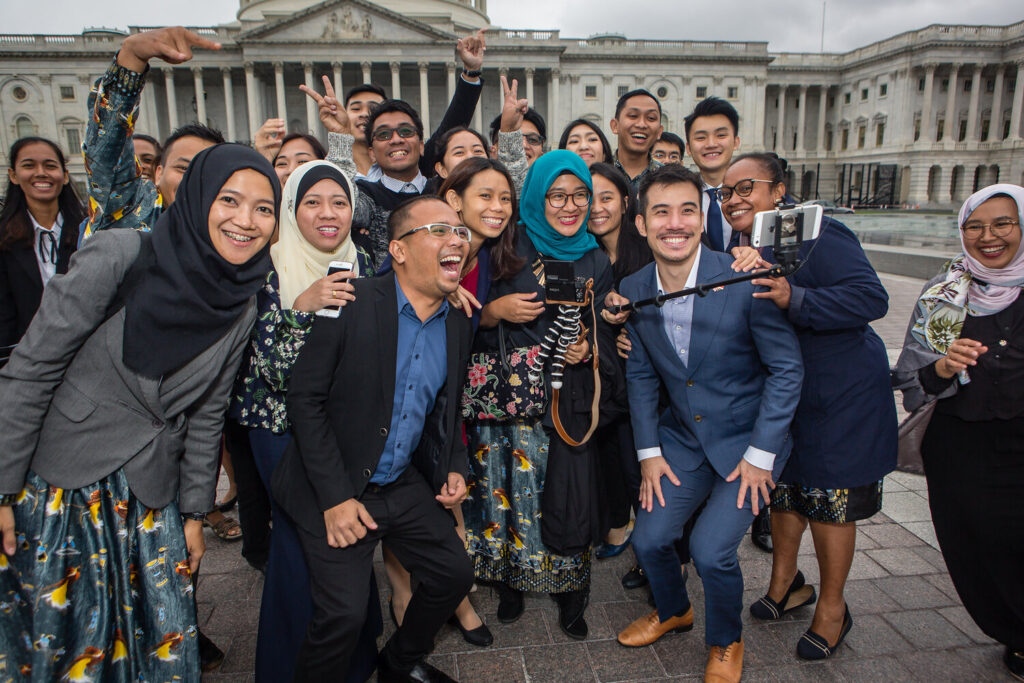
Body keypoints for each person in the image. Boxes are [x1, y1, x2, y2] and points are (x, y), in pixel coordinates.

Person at [0, 143, 279, 681]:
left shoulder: (243, 298)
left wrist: (195, 515)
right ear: (198, 199)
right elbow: (30, 370)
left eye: (264, 208)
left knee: (160, 645)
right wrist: (3, 489)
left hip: (151, 501)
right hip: (65, 490)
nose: (245, 220)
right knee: (69, 647)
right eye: (229, 200)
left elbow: (206, 414)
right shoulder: (120, 254)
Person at [271, 196, 475, 682]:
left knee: (454, 573)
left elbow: (445, 407)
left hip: (398, 482)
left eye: (461, 232)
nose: (457, 240)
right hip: (333, 483)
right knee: (343, 615)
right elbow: (304, 400)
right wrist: (336, 498)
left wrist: (454, 465)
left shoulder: (460, 320)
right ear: (399, 251)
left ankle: (398, 664)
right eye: (439, 229)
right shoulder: (351, 300)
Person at [611, 165, 802, 683]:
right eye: (661, 212)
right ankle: (674, 610)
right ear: (641, 223)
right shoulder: (633, 286)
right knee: (648, 540)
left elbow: (787, 369)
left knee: (712, 551)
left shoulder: (744, 274)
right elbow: (644, 375)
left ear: (704, 217)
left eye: (688, 210)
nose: (676, 223)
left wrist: (762, 455)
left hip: (748, 442)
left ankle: (726, 640)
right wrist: (649, 453)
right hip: (683, 440)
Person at [722, 153, 896, 659]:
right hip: (784, 398)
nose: (734, 199)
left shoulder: (821, 232)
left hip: (840, 396)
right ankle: (786, 584)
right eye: (727, 193)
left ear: (779, 191)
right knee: (784, 494)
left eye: (746, 187)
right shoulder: (743, 242)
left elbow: (871, 298)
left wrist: (793, 298)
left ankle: (833, 608)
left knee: (831, 503)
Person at [229, 159, 379, 681]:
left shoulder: (367, 260)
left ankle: (354, 663)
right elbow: (266, 370)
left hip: (341, 433)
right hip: (279, 431)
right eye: (312, 202)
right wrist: (301, 308)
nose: (327, 213)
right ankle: (287, 667)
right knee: (299, 549)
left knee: (348, 544)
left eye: (339, 201)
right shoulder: (264, 266)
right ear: (292, 210)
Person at [464, 150, 613, 640]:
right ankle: (511, 583)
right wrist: (495, 311)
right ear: (537, 198)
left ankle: (572, 593)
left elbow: (610, 335)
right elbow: (460, 315)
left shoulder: (595, 257)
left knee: (565, 497)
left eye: (579, 196)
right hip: (505, 403)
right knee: (505, 494)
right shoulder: (508, 246)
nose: (569, 206)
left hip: (564, 404)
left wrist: (589, 345)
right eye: (556, 196)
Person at [386, 157, 521, 649]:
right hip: (404, 399)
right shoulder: (429, 250)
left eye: (505, 197)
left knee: (443, 497)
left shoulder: (481, 257)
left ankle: (447, 597)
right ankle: (408, 599)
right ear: (454, 200)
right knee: (409, 496)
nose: (498, 207)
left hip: (445, 398)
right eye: (484, 196)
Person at [894, 184, 1024, 681]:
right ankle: (1013, 630)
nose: (988, 237)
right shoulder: (945, 293)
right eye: (975, 226)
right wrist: (944, 368)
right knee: (978, 548)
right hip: (963, 447)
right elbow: (913, 383)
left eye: (1002, 224)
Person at [682, 97, 774, 554]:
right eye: (700, 136)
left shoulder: (768, 209)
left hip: (755, 338)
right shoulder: (686, 197)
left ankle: (758, 509)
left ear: (736, 141)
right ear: (688, 146)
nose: (711, 144)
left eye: (720, 135)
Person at [81, 26, 224, 238]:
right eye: (183, 168)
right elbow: (106, 150)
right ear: (159, 173)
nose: (193, 180)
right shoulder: (129, 213)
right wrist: (131, 58)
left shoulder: (230, 235)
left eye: (206, 172)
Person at [0, 137, 85, 348]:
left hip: (83, 355)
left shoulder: (87, 232)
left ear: (64, 176)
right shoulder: (3, 238)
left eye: (50, 166)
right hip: (24, 357)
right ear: (13, 175)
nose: (41, 173)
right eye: (29, 165)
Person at [609, 89, 663, 190]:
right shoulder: (598, 174)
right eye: (633, 116)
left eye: (651, 118)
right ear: (615, 125)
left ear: (659, 131)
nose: (641, 124)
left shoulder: (668, 178)